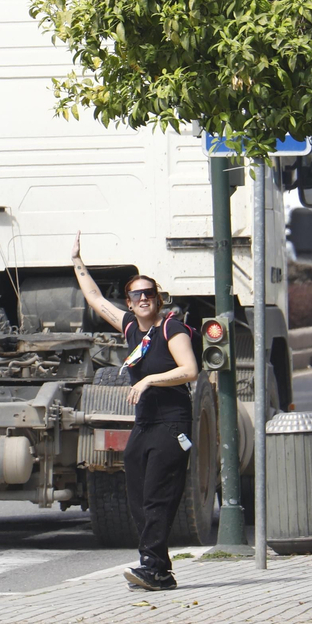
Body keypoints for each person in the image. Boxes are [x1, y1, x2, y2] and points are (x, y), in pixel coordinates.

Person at [71, 233, 198, 591]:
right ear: (129, 301)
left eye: (149, 294)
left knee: (158, 492)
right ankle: (160, 568)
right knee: (138, 491)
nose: (143, 299)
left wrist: (149, 381)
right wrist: (77, 261)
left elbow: (190, 370)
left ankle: (152, 565)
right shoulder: (130, 327)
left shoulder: (171, 328)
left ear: (158, 299)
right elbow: (96, 299)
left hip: (173, 424)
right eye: (136, 295)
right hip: (145, 424)